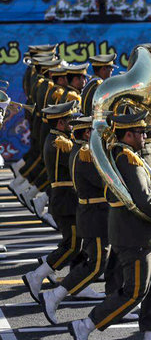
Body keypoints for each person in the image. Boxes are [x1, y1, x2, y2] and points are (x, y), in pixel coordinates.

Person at [68, 111, 151, 340]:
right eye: (140, 132)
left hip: (138, 232)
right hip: (133, 233)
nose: (145, 136)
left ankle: (150, 337)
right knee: (135, 291)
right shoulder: (126, 158)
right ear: (128, 134)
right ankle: (85, 325)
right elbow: (143, 198)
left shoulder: (127, 155)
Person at [39, 116, 129, 325]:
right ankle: (55, 295)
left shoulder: (88, 151)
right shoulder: (86, 154)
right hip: (93, 215)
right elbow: (104, 182)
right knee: (96, 264)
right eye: (96, 131)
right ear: (88, 133)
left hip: (100, 213)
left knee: (113, 257)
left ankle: (114, 302)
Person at [23, 101, 104, 302]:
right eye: (70, 120)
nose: (72, 123)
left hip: (68, 200)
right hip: (65, 201)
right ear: (60, 122)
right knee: (72, 245)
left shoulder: (60, 139)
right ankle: (37, 275)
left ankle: (77, 284)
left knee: (78, 243)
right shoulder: (59, 143)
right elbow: (78, 160)